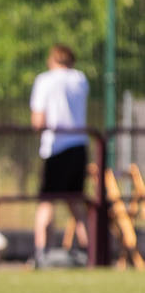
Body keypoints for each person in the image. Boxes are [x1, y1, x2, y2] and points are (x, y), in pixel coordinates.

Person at [30, 43, 90, 268]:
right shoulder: (81, 79)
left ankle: (40, 251)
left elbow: (38, 120)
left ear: (52, 59)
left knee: (46, 201)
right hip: (79, 147)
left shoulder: (45, 80)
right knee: (76, 201)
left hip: (56, 148)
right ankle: (90, 252)